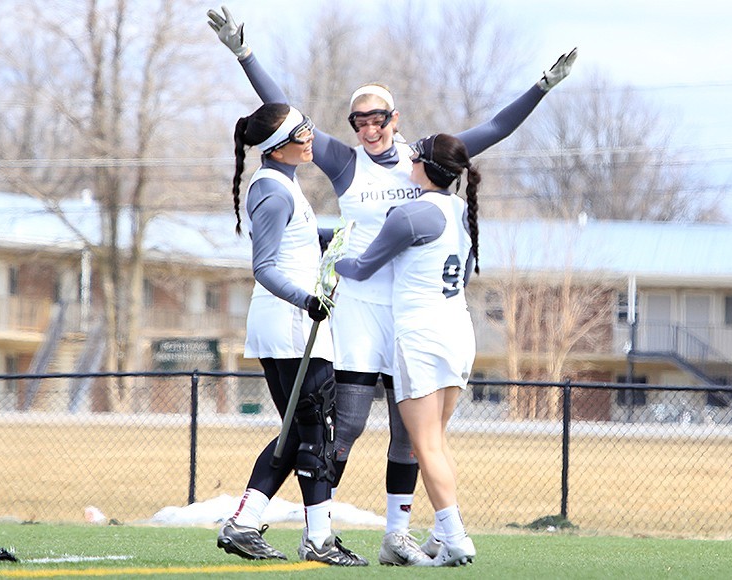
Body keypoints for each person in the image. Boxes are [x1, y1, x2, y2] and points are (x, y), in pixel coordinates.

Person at [208, 5, 575, 566]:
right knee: (343, 427)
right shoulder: (344, 162)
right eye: (358, 119)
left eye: (377, 117)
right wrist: (245, 54)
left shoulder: (423, 160)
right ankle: (318, 528)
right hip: (357, 310)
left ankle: (396, 536)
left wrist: (542, 87)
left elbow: (495, 129)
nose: (368, 127)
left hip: (409, 313)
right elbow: (286, 117)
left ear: (394, 118)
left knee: (408, 434)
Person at [216, 102, 367, 567]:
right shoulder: (274, 191)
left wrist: (331, 242)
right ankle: (318, 540)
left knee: (298, 433)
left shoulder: (284, 183)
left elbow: (292, 249)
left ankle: (244, 523)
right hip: (291, 324)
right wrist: (307, 300)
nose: (310, 137)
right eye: (301, 133)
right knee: (316, 433)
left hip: (291, 323)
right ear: (278, 148)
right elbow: (263, 267)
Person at [334, 133, 481, 567]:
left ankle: (456, 537)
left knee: (424, 444)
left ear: (424, 167)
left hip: (422, 334)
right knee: (437, 440)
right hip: (459, 329)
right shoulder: (462, 210)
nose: (407, 163)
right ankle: (440, 534)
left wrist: (331, 256)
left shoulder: (411, 214)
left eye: (413, 157)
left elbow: (362, 268)